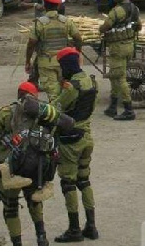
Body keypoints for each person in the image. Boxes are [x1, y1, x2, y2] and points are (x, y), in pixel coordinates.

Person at [0, 82, 74, 246]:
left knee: (11, 207)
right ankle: (41, 237)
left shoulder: (6, 111)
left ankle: (17, 243)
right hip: (36, 167)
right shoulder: (44, 115)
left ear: (19, 94)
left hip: (10, 170)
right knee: (34, 201)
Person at [51, 47, 99, 243]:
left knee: (68, 183)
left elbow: (55, 108)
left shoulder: (72, 87)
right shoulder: (91, 82)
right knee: (84, 181)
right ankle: (91, 226)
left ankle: (74, 229)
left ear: (66, 65)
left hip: (71, 141)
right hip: (87, 136)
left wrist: (60, 91)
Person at [25, 0, 82, 103]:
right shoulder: (66, 21)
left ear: (45, 6)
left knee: (53, 93)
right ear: (58, 6)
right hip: (64, 62)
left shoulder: (39, 23)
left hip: (46, 62)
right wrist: (77, 53)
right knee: (64, 89)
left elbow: (31, 43)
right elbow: (78, 39)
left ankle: (57, 115)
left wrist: (28, 60)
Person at [99, 0, 142, 121]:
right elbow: (139, 26)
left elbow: (105, 27)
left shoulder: (117, 11)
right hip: (129, 46)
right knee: (114, 75)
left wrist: (101, 29)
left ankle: (129, 110)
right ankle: (112, 106)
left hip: (118, 48)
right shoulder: (134, 8)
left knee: (119, 77)